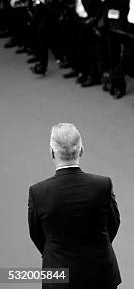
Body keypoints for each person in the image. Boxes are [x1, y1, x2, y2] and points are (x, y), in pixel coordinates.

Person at [28, 123, 121, 289]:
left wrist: (55, 254)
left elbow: (36, 234)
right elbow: (113, 223)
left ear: (51, 152)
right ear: (81, 150)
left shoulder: (38, 192)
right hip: (101, 273)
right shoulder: (102, 185)